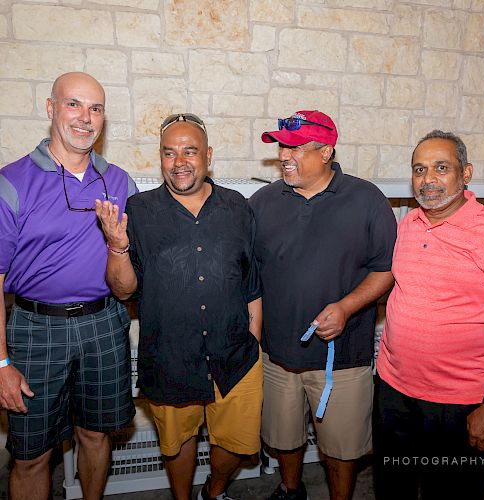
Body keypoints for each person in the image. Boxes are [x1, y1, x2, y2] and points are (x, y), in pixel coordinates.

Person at [95, 113, 263, 500]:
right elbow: (123, 291)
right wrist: (117, 246)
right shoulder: (139, 210)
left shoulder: (237, 206)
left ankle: (214, 490)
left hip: (235, 355)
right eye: (169, 153)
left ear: (208, 155)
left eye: (189, 151)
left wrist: (252, 344)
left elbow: (251, 283)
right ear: (160, 158)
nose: (179, 161)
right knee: (177, 444)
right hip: (170, 355)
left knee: (237, 445)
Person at [0, 72, 137, 500]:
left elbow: (131, 283)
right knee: (32, 453)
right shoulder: (11, 182)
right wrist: (0, 364)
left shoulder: (120, 183)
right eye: (74, 104)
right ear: (51, 108)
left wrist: (119, 246)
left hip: (104, 325)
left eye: (95, 108)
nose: (85, 117)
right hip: (34, 329)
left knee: (96, 436)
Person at [249, 110, 397, 500]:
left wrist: (347, 307)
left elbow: (386, 271)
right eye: (282, 145)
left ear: (326, 151)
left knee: (342, 448)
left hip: (342, 359)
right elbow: (249, 277)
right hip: (277, 355)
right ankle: (290, 489)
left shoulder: (367, 200)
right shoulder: (262, 202)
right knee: (283, 438)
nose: (284, 155)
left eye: (296, 147)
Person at [373, 130, 484, 500]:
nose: (428, 179)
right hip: (393, 392)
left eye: (441, 168)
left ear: (466, 174)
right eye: (419, 169)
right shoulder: (408, 224)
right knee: (392, 488)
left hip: (459, 403)